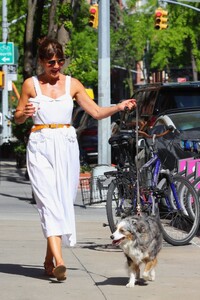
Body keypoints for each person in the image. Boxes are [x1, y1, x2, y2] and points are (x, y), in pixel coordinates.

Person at [14, 37, 136, 281]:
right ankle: (60, 262)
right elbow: (17, 116)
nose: (56, 66)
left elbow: (97, 112)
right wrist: (24, 114)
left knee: (62, 202)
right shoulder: (30, 85)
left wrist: (119, 106)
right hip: (41, 144)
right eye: (51, 62)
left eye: (60, 61)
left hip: (67, 145)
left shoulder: (72, 84)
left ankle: (49, 259)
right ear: (41, 62)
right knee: (48, 202)